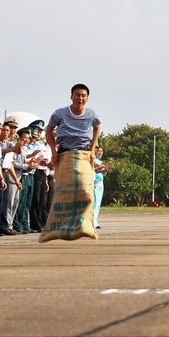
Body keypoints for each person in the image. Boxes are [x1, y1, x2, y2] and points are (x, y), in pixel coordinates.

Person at [39, 83, 101, 242]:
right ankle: (54, 229)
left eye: (83, 96)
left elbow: (97, 127)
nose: (80, 98)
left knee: (86, 189)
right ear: (71, 96)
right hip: (65, 153)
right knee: (62, 191)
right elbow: (49, 130)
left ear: (87, 98)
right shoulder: (59, 113)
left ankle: (85, 226)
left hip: (83, 153)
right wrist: (53, 152)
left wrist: (93, 149)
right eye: (77, 95)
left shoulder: (91, 114)